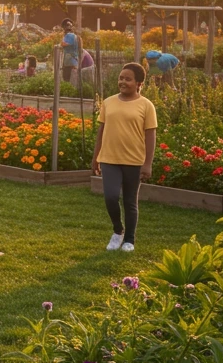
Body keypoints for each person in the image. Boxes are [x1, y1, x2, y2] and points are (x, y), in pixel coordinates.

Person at [91, 62, 157, 254]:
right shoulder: (108, 102)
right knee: (110, 197)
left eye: (128, 79)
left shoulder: (146, 106)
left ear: (138, 83)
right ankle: (118, 231)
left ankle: (129, 239)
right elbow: (101, 130)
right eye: (121, 78)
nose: (123, 82)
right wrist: (96, 157)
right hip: (109, 158)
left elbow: (150, 135)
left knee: (130, 201)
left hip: (134, 161)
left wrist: (148, 164)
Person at [60, 19, 80, 87]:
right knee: (67, 77)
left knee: (67, 77)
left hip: (70, 61)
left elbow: (64, 44)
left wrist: (60, 45)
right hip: (70, 60)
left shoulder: (70, 35)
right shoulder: (70, 35)